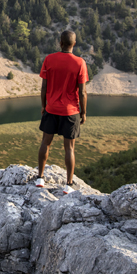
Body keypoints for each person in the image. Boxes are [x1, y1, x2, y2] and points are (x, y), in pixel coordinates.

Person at [34, 30, 88, 194]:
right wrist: (83, 112)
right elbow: (83, 92)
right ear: (74, 43)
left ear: (60, 42)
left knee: (45, 143)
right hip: (70, 111)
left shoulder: (49, 59)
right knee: (69, 148)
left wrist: (44, 105)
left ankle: (40, 178)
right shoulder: (80, 63)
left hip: (51, 109)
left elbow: (44, 87)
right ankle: (68, 184)